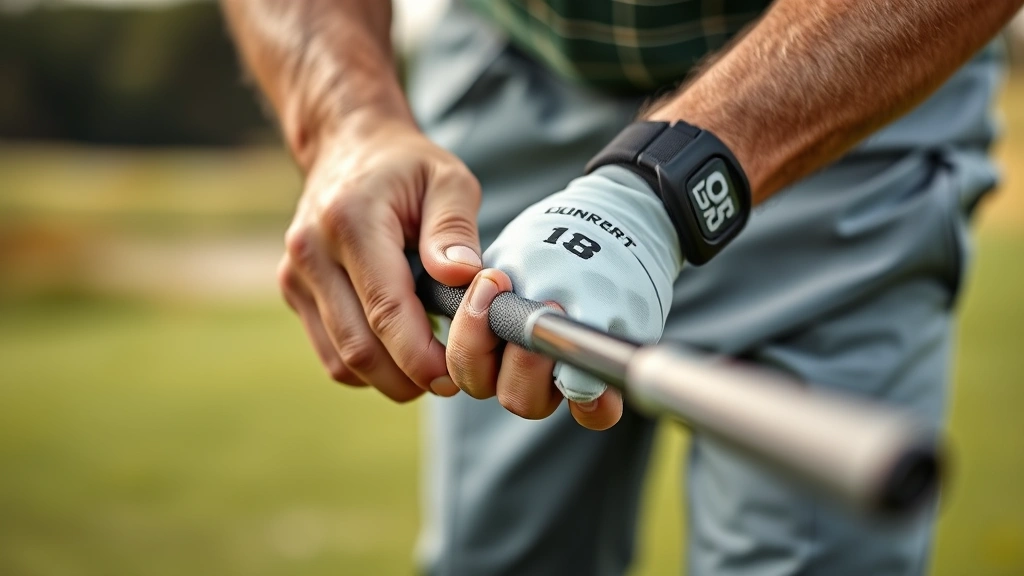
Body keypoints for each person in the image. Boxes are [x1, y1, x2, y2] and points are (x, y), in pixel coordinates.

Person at [222, 1, 1022, 574]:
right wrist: (345, 121)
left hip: (846, 77)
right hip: (514, 74)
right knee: (502, 557)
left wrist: (660, 185)